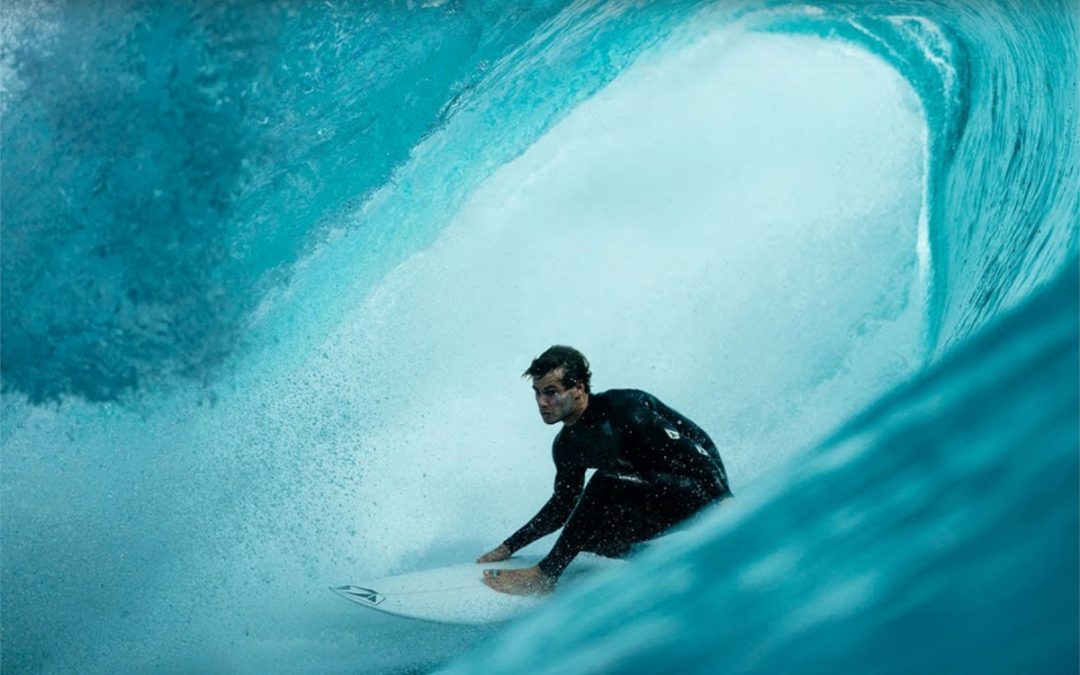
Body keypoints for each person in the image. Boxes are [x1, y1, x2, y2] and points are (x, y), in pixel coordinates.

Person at [479, 345, 732, 595]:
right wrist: (509, 546)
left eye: (551, 392)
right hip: (656, 500)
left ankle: (546, 575)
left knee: (605, 481)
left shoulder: (626, 410)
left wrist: (725, 501)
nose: (542, 402)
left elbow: (695, 453)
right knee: (584, 536)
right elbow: (563, 505)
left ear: (578, 388)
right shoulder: (567, 445)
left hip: (697, 492)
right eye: (537, 392)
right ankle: (651, 559)